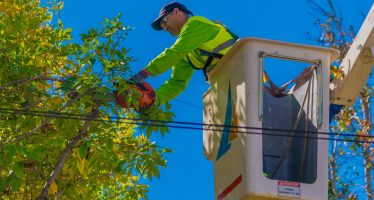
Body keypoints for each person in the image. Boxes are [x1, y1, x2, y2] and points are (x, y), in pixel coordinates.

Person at [130, 1, 238, 107]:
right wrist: (153, 100)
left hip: (245, 62)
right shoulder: (187, 53)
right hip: (230, 81)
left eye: (164, 21)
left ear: (176, 12)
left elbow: (175, 52)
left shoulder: (195, 23)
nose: (165, 28)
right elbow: (176, 83)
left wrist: (142, 74)